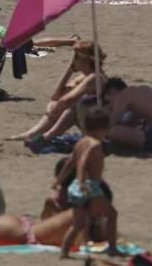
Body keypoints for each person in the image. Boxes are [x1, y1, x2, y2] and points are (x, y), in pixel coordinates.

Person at [7, 41, 107, 148]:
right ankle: (35, 134)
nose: (73, 60)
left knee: (71, 106)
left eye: (76, 56)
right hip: (91, 121)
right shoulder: (86, 76)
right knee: (64, 104)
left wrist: (55, 107)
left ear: (86, 60)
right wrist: (69, 70)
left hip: (100, 127)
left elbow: (67, 99)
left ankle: (42, 136)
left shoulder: (95, 78)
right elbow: (57, 95)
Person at [56, 106, 119, 257]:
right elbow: (82, 162)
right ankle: (112, 248)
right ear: (102, 129)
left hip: (76, 189)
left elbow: (70, 162)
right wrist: (81, 179)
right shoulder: (95, 145)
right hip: (90, 188)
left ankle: (64, 251)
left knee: (78, 224)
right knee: (112, 214)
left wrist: (58, 180)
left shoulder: (81, 142)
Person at [102, 77, 152, 152]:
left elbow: (109, 125)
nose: (110, 106)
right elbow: (130, 124)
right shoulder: (137, 95)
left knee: (113, 132)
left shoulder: (122, 96)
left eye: (108, 102)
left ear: (111, 92)